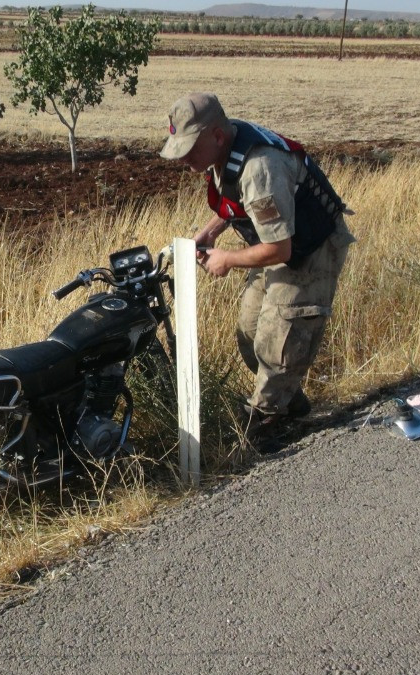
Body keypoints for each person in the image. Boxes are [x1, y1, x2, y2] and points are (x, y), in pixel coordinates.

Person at [159, 92, 356, 451]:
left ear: (217, 136)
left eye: (190, 149)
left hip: (309, 248)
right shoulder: (226, 150)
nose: (185, 159)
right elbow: (237, 198)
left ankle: (268, 421)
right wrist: (212, 230)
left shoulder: (261, 168)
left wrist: (227, 259)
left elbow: (281, 249)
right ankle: (289, 400)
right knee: (249, 333)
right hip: (278, 241)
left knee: (278, 339)